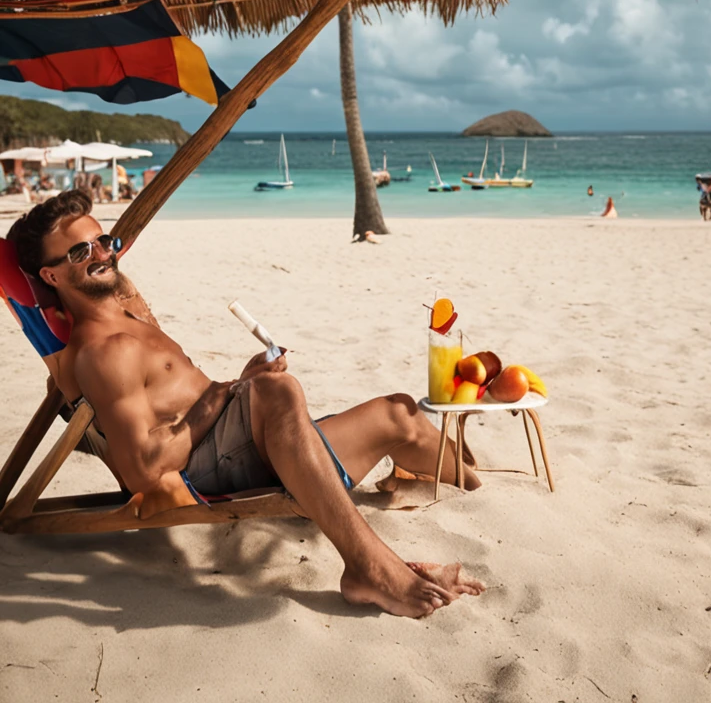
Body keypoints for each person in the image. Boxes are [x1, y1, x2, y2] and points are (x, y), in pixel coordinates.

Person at [8, 192, 485, 619]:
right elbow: (144, 473)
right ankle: (370, 570)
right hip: (206, 467)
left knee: (400, 413)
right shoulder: (102, 352)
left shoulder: (128, 308)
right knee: (277, 392)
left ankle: (462, 482)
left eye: (103, 240)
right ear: (50, 275)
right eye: (79, 252)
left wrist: (239, 385)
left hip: (237, 435)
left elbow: (116, 271)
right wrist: (233, 389)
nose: (100, 254)